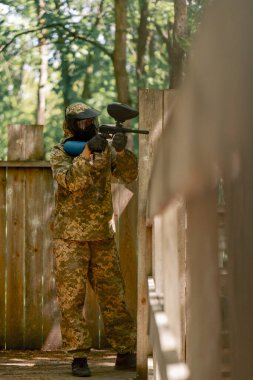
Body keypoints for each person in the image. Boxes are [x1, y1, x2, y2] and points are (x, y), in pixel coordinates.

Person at [50, 102, 138, 377]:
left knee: (114, 296)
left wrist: (121, 151)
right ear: (71, 124)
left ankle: (125, 351)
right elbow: (71, 182)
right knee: (71, 300)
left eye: (90, 121)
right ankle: (78, 357)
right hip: (70, 240)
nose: (87, 126)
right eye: (82, 122)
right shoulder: (60, 152)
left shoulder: (106, 150)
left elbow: (129, 174)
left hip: (101, 236)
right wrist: (88, 153)